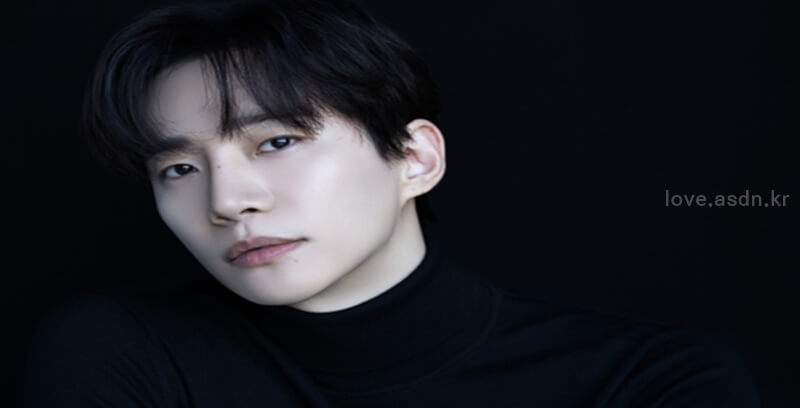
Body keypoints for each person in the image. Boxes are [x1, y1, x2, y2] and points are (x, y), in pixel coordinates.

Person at [23, 0, 762, 406]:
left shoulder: (650, 380)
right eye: (179, 168)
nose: (229, 201)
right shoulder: (122, 354)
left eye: (275, 142)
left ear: (415, 159)